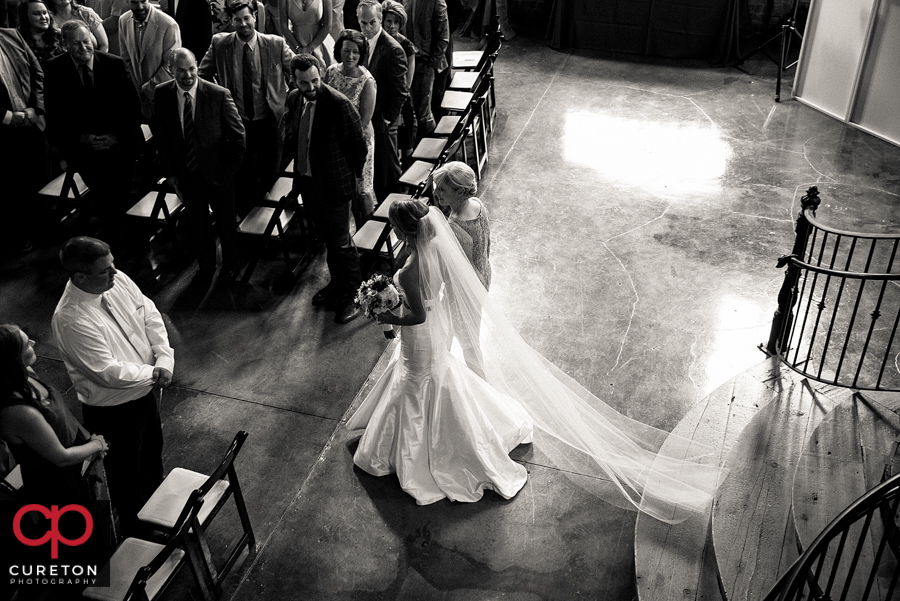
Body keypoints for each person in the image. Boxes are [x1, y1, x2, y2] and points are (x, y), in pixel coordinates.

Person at [347, 200, 726, 520]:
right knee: (438, 377)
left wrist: (386, 315)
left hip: (422, 331)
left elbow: (417, 315)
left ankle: (433, 449)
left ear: (401, 229)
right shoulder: (435, 251)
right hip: (437, 325)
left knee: (421, 381)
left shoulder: (411, 268)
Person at [52, 236, 174, 537]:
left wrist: (164, 357)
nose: (115, 273)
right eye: (105, 270)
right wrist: (154, 372)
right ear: (79, 276)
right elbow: (106, 371)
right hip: (114, 410)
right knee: (126, 476)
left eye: (112, 265)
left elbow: (149, 313)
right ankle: (136, 530)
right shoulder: (70, 318)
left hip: (144, 393)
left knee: (150, 459)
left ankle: (156, 514)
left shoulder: (114, 280)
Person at [285, 53, 367, 324]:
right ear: (294, 80)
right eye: (304, 83)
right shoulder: (295, 99)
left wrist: (354, 179)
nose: (311, 88)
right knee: (330, 242)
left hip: (335, 186)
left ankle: (356, 295)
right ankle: (337, 284)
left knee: (342, 244)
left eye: (315, 81)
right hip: (309, 183)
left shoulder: (338, 104)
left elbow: (358, 146)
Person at [154, 48, 246, 283]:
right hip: (187, 174)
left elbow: (238, 136)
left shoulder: (218, 94)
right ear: (170, 70)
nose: (188, 75)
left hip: (218, 173)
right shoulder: (162, 94)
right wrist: (171, 174)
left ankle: (231, 266)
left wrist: (228, 170)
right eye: (181, 70)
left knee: (227, 223)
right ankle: (206, 266)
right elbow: (162, 137)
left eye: (192, 69)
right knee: (198, 224)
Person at [199, 0, 294, 217]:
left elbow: (297, 71)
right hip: (238, 122)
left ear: (254, 18)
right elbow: (202, 76)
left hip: (270, 120)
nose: (243, 24)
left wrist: (291, 101)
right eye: (237, 19)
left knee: (271, 173)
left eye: (246, 18)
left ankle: (272, 222)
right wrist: (216, 106)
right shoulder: (220, 44)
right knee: (242, 174)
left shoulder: (276, 44)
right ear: (231, 21)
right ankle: (247, 220)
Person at [44, 21, 142, 223]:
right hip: (83, 150)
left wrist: (115, 137)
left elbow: (133, 108)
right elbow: (55, 115)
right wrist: (82, 138)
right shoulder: (54, 69)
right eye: (76, 44)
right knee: (101, 200)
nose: (83, 48)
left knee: (123, 197)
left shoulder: (114, 64)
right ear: (65, 45)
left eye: (86, 41)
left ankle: (127, 240)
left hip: (119, 146)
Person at [0, 324, 109, 505]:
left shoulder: (26, 373)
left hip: (73, 467)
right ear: (14, 358)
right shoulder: (19, 412)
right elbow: (61, 458)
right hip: (56, 484)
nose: (34, 342)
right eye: (27, 344)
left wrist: (88, 439)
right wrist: (97, 445)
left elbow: (62, 415)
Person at [0, 27, 49, 253]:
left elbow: (37, 73)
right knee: (10, 185)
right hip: (4, 129)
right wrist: (8, 117)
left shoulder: (11, 34)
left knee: (39, 174)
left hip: (30, 121)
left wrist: (36, 108)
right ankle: (17, 236)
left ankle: (39, 228)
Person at [322, 29, 375, 229]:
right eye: (346, 51)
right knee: (348, 189)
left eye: (355, 52)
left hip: (359, 142)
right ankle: (354, 229)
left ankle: (368, 234)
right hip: (336, 141)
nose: (350, 56)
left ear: (361, 53)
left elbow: (364, 121)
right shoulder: (331, 71)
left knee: (363, 190)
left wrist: (347, 143)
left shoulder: (366, 81)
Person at [356, 0, 406, 202]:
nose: (367, 28)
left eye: (372, 22)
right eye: (363, 23)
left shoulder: (393, 49)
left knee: (388, 174)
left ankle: (394, 218)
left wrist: (385, 121)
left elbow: (401, 92)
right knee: (374, 173)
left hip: (383, 122)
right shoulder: (362, 43)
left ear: (380, 20)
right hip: (368, 119)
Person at [118, 0, 181, 116]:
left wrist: (146, 91)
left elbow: (170, 66)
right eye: (134, 2)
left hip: (163, 96)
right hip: (138, 99)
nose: (140, 6)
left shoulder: (168, 24)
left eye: (143, 1)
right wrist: (136, 89)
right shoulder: (123, 21)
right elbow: (125, 59)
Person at [433, 161, 490, 289]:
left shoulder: (453, 226)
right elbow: (487, 244)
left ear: (460, 192)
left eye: (441, 189)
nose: (436, 192)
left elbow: (448, 271)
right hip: (484, 274)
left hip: (467, 287)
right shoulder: (477, 204)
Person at [400, 0, 448, 139]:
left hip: (424, 63)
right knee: (410, 111)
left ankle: (430, 150)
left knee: (423, 114)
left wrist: (431, 65)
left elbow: (443, 37)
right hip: (405, 62)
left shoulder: (436, 2)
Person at [379, 0, 415, 162]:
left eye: (396, 22)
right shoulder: (378, 42)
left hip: (401, 99)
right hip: (382, 97)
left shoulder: (406, 46)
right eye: (388, 21)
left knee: (405, 141)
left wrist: (398, 104)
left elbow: (407, 83)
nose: (392, 26)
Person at [279, 0, 332, 65]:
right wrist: (298, 48)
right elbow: (284, 27)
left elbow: (328, 26)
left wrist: (310, 48)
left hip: (319, 43)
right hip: (295, 44)